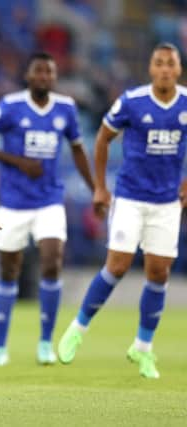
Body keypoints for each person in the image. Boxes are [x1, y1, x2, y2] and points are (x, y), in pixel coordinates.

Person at [57, 43, 187, 379]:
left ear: (178, 69)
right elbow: (102, 139)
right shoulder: (132, 101)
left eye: (170, 64)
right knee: (117, 265)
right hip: (130, 196)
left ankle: (142, 348)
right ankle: (77, 329)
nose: (164, 69)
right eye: (158, 63)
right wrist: (101, 187)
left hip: (167, 202)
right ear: (151, 68)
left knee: (159, 272)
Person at [0, 52, 94, 366]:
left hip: (50, 200)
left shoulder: (66, 108)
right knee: (9, 270)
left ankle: (44, 343)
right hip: (13, 203)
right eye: (38, 71)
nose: (44, 77)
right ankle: (0, 347)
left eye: (49, 72)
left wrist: (97, 189)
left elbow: (79, 150)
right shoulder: (10, 106)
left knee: (53, 260)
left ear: (54, 77)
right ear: (28, 75)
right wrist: (18, 162)